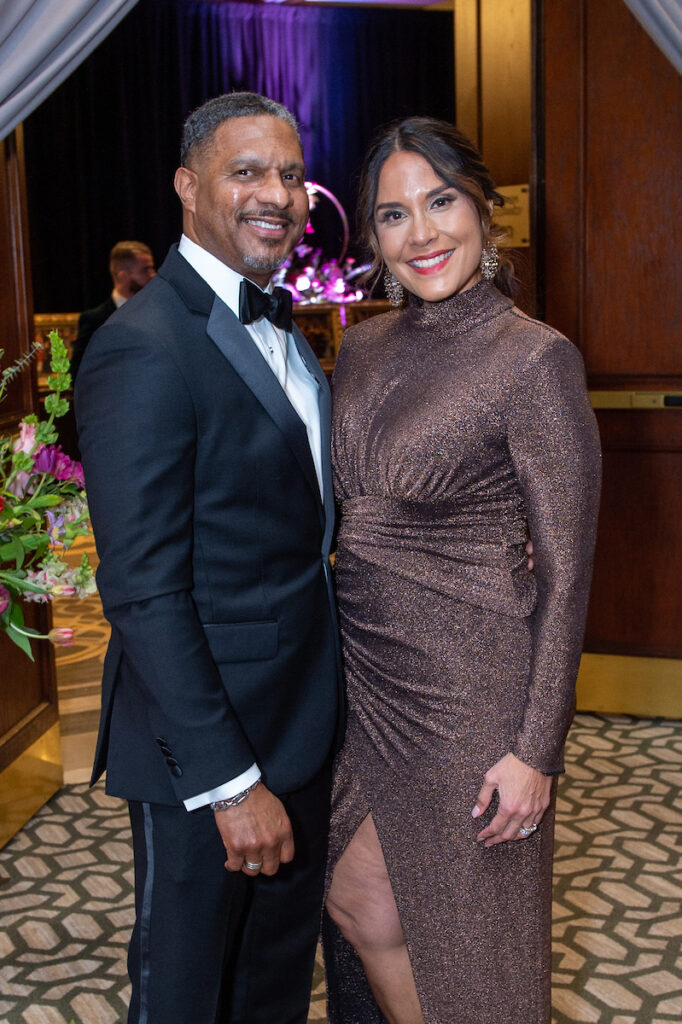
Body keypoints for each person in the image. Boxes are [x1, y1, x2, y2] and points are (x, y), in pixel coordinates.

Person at [323, 117, 602, 1024]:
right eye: (395, 214)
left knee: (473, 938)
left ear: (484, 210)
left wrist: (536, 749)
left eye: (442, 201)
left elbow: (566, 573)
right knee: (360, 903)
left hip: (469, 698)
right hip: (365, 684)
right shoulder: (361, 349)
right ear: (373, 237)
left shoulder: (533, 358)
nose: (423, 233)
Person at [75, 93, 343, 1024]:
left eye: (290, 173)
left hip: (301, 726)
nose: (277, 193)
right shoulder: (141, 347)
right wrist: (232, 786)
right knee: (186, 996)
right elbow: (143, 590)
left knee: (271, 990)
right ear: (189, 187)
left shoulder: (290, 327)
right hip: (206, 754)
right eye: (247, 172)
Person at [69, 240, 156, 383]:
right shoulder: (95, 320)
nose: (153, 275)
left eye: (152, 268)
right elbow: (78, 373)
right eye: (145, 270)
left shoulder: (157, 313)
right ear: (123, 276)